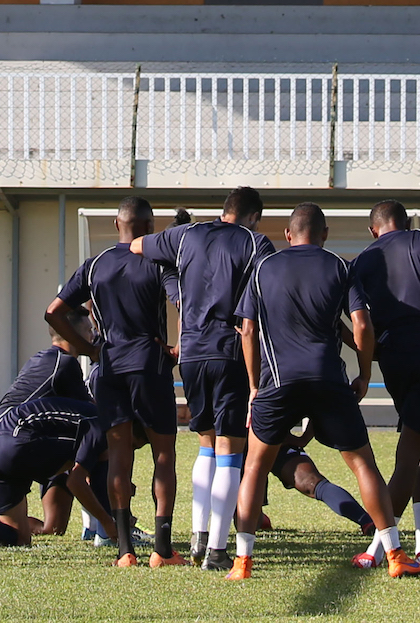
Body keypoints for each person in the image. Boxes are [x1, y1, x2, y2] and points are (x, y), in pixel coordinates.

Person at [227, 203, 420, 580]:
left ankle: (243, 562)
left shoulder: (264, 267)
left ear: (288, 235)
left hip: (278, 383)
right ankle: (396, 556)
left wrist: (254, 386)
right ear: (325, 234)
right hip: (328, 380)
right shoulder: (339, 266)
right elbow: (362, 325)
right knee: (363, 464)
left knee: (255, 465)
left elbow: (248, 331)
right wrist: (365, 372)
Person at [130, 186, 274, 571]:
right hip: (230, 351)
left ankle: (198, 537)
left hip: (191, 353)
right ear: (252, 217)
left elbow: (138, 247)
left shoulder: (186, 234)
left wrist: (178, 291)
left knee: (205, 444)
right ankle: (217, 551)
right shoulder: (254, 242)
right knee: (230, 450)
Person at [47, 196, 179, 567]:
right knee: (163, 455)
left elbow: (53, 312)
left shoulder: (96, 265)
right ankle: (163, 551)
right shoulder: (157, 260)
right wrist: (179, 348)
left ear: (116, 226)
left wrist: (90, 349)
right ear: (150, 227)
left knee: (119, 458)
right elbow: (184, 302)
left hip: (109, 369)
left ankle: (124, 552)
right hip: (148, 367)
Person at [347, 199, 420, 568]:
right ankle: (379, 551)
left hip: (392, 357)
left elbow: (349, 318)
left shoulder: (362, 260)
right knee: (412, 449)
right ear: (407, 221)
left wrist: (366, 357)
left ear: (373, 230)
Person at [0, 398, 118, 548]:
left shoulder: (85, 416)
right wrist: (108, 521)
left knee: (20, 539)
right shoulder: (99, 424)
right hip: (19, 445)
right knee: (90, 465)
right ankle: (105, 533)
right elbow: (76, 482)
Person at [264, 421, 376, 536]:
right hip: (248, 447)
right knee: (256, 519)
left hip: (275, 442)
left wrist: (304, 438)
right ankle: (255, 516)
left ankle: (367, 521)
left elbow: (318, 404)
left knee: (312, 483)